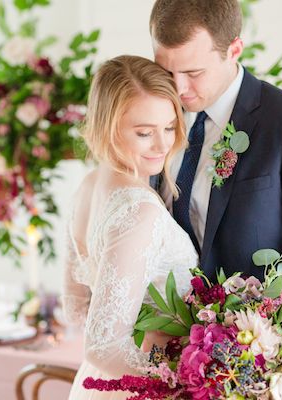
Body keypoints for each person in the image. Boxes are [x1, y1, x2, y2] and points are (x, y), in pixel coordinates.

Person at [150, 1, 282, 399]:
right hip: (191, 378)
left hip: (276, 376)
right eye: (165, 70)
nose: (178, 87)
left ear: (234, 49)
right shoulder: (161, 123)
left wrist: (251, 341)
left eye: (193, 72)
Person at [63, 55, 197, 399]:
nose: (163, 144)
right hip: (144, 387)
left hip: (97, 382)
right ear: (109, 127)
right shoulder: (138, 209)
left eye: (169, 127)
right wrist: (188, 377)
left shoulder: (88, 187)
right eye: (143, 133)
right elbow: (102, 346)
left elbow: (75, 308)